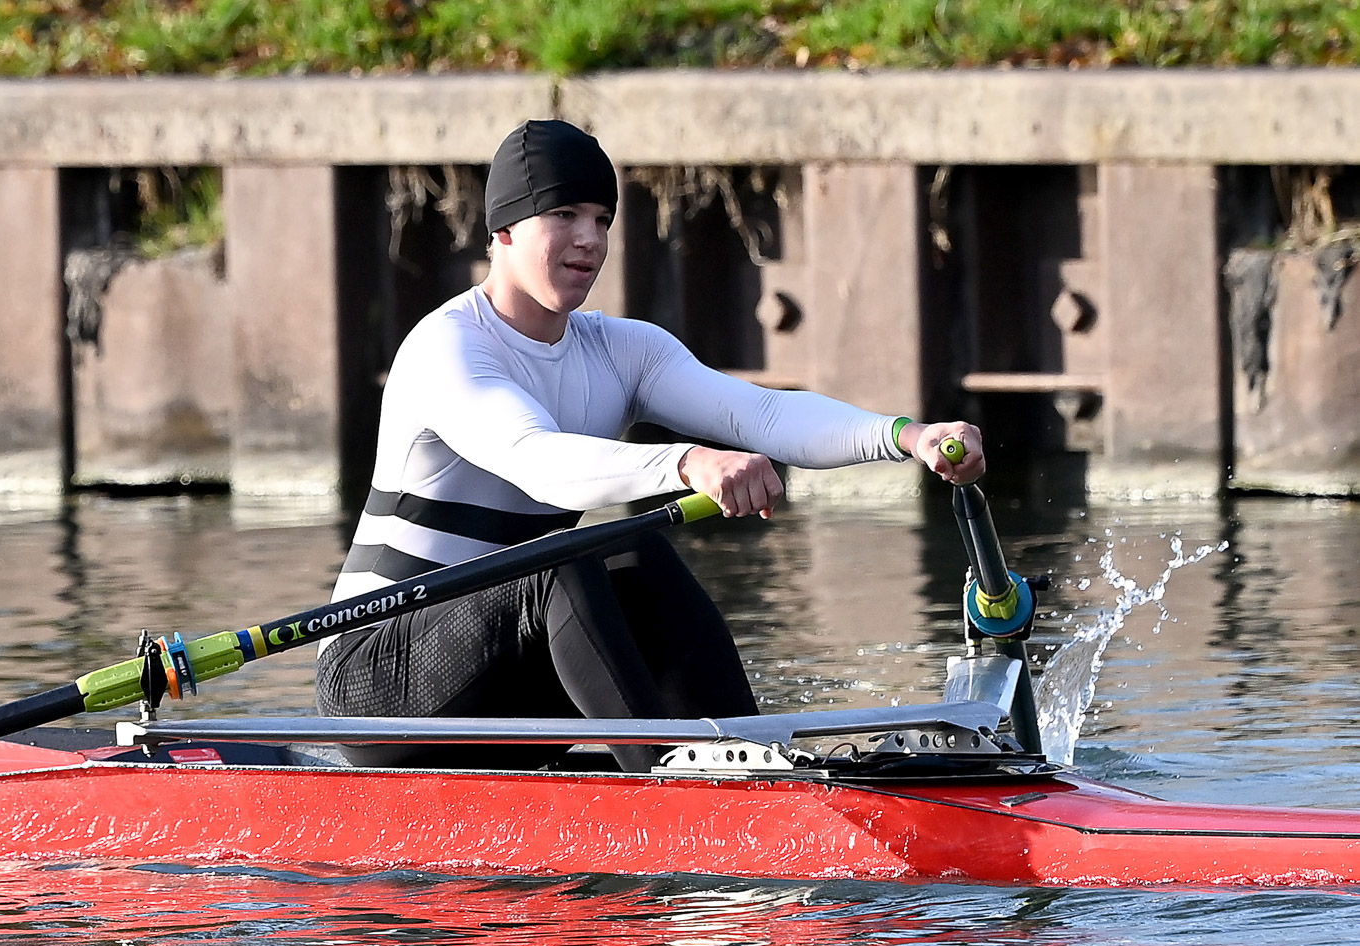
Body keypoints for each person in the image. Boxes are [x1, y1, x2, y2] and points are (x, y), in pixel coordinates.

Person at [315, 119, 986, 772]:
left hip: (503, 678)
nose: (588, 240)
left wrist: (908, 436)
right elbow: (536, 460)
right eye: (565, 215)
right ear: (504, 229)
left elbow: (762, 414)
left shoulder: (620, 351)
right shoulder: (448, 348)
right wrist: (686, 461)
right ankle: (670, 792)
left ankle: (744, 766)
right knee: (564, 562)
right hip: (377, 685)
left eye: (602, 219)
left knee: (635, 556)